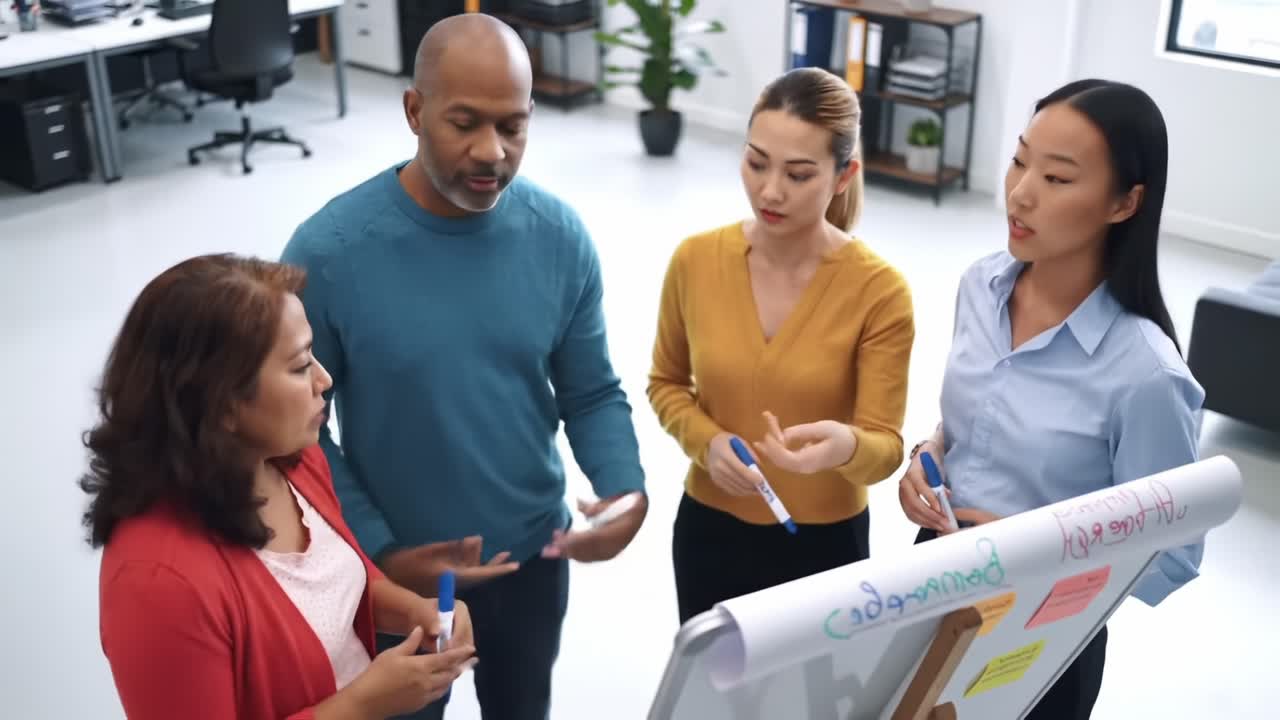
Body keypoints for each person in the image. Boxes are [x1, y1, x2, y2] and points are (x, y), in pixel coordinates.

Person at [281, 13, 647, 720]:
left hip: (531, 561)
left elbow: (592, 389)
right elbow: (302, 436)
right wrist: (380, 553)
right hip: (397, 576)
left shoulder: (560, 238)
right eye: (465, 123)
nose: (492, 152)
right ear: (414, 111)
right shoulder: (330, 252)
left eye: (513, 127)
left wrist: (625, 487)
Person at [897, 79, 1205, 720]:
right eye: (1019, 160)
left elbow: (1173, 556)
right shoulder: (980, 286)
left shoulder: (1146, 374)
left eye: (1058, 179)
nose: (1022, 192)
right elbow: (977, 419)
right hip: (933, 583)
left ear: (1125, 203)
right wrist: (929, 452)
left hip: (1043, 633)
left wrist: (1037, 549)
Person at [82, 254, 478, 720]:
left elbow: (331, 583)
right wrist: (360, 706)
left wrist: (414, 610)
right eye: (299, 366)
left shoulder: (295, 460)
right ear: (220, 403)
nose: (324, 380)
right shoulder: (158, 584)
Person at [648, 67, 915, 624]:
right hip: (708, 533)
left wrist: (844, 446)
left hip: (825, 551)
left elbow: (886, 446)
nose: (770, 191)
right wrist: (707, 442)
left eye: (798, 174)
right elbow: (666, 384)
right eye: (756, 162)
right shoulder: (694, 261)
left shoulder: (878, 291)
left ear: (844, 177)